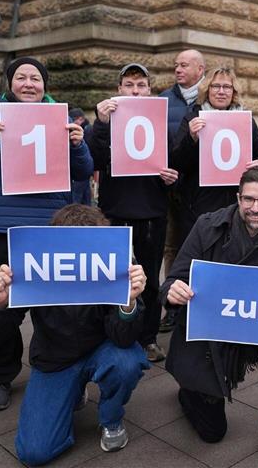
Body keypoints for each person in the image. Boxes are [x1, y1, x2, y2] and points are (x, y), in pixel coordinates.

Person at [0, 56, 94, 412]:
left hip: (49, 227)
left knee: (57, 306)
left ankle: (61, 372)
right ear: (10, 83)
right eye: (22, 77)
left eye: (36, 78)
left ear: (45, 85)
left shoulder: (63, 120)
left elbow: (83, 172)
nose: (29, 83)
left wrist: (78, 144)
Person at [160, 167, 258, 465]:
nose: (255, 208)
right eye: (248, 199)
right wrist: (172, 290)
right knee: (212, 432)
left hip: (250, 331)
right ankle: (190, 391)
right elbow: (174, 278)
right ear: (238, 198)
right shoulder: (207, 226)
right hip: (206, 333)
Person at [0, 204, 150, 465]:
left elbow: (124, 338)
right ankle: (72, 391)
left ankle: (111, 419)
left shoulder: (118, 261)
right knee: (34, 453)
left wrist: (128, 305)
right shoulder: (35, 262)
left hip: (104, 350)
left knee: (128, 361)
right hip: (54, 358)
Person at [86, 63, 180, 362]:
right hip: (115, 211)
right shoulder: (107, 121)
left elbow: (174, 165)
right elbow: (91, 161)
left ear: (149, 90)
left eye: (141, 85)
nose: (135, 90)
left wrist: (169, 178)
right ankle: (113, 331)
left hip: (152, 213)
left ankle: (148, 337)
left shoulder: (159, 123)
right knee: (115, 278)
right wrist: (100, 123)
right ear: (119, 89)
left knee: (150, 281)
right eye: (129, 85)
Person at [170, 66, 258, 249]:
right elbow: (178, 162)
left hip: (236, 203)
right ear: (207, 90)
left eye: (227, 87)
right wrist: (191, 138)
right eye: (216, 86)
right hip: (199, 205)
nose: (221, 91)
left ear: (234, 92)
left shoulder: (245, 120)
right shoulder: (192, 118)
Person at [160, 49, 206, 333]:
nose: (177, 69)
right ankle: (172, 305)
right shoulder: (163, 100)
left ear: (200, 70)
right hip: (169, 185)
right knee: (171, 247)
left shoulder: (209, 99)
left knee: (201, 245)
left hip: (200, 187)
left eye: (184, 65)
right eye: (176, 65)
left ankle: (202, 302)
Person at [68, 107, 93, 206]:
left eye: (75, 119)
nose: (74, 122)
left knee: (81, 198)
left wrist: (79, 145)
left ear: (81, 119)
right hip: (79, 173)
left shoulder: (88, 129)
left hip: (82, 171)